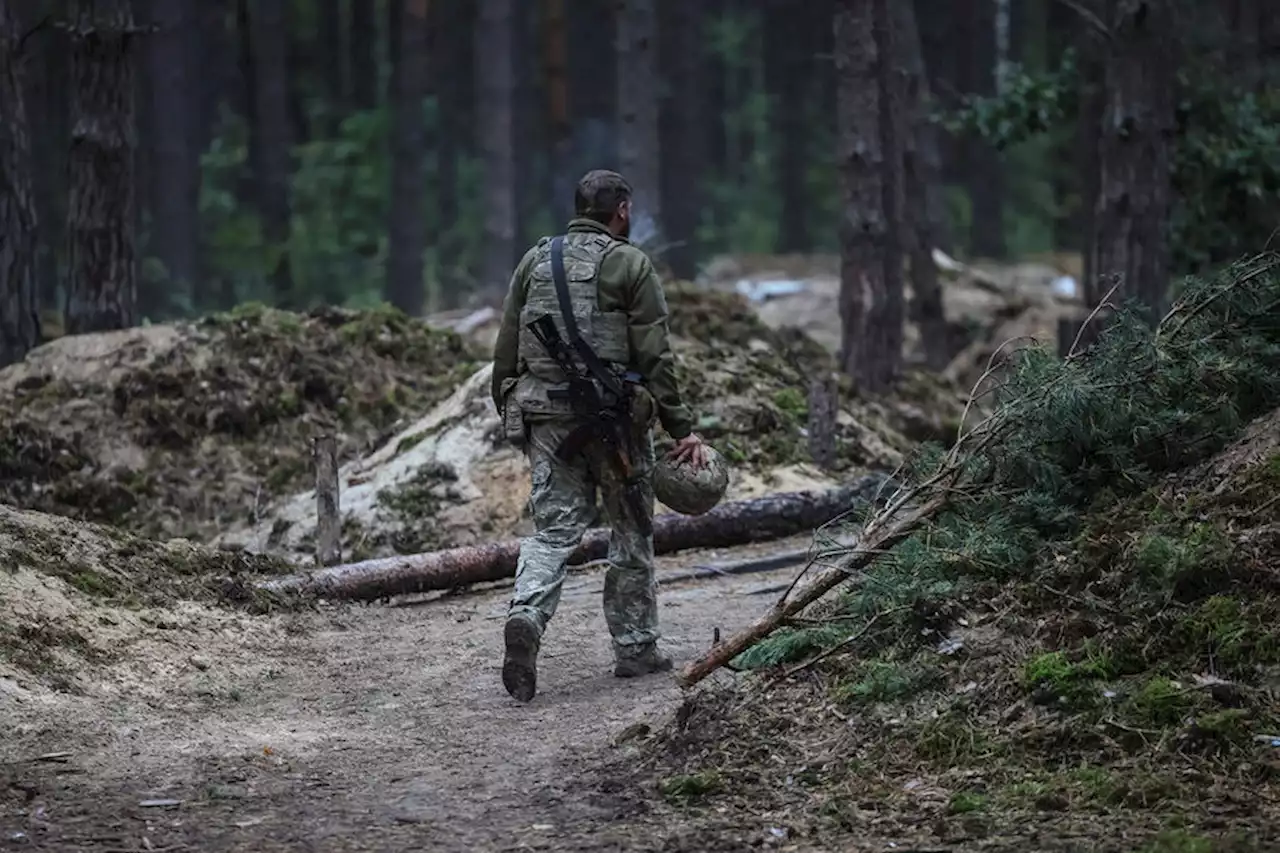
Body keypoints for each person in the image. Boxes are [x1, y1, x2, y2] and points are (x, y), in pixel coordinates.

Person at [490, 169, 709, 703]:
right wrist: (682, 428)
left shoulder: (535, 260)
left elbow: (506, 343)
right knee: (631, 531)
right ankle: (635, 648)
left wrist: (510, 404)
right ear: (623, 210)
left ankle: (527, 615)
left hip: (547, 420)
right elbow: (655, 355)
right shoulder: (631, 263)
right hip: (618, 426)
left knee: (553, 533)